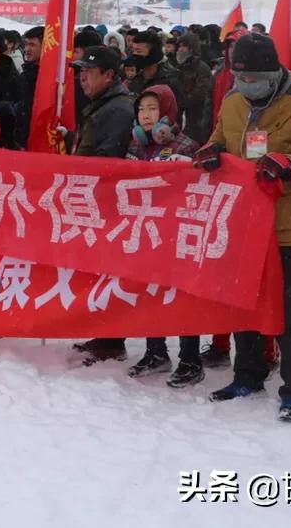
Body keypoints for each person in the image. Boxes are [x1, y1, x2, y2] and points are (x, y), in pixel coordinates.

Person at [195, 33, 291, 422]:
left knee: (290, 312)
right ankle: (248, 375)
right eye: (241, 78)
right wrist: (211, 153)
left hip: (287, 227)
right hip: (243, 224)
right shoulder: (234, 101)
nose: (246, 86)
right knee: (244, 304)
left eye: (254, 79)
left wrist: (289, 164)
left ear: (273, 74)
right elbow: (220, 140)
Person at [120, 84, 205, 387]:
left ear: (167, 113)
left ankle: (190, 360)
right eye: (141, 109)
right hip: (146, 230)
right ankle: (156, 352)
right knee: (150, 291)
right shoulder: (135, 145)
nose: (146, 115)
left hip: (177, 233)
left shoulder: (186, 146)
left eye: (153, 109)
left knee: (180, 296)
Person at [66, 46, 137, 366]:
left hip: (106, 201)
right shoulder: (102, 104)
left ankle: (112, 339)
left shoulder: (119, 109)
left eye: (88, 72)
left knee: (110, 268)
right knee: (98, 268)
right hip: (91, 196)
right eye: (79, 72)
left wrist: (85, 170)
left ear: (109, 75)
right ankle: (105, 335)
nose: (82, 78)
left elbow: (111, 159)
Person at [172, 33, 213, 143]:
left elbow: (201, 92)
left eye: (184, 46)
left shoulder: (202, 68)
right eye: (179, 46)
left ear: (192, 49)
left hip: (196, 117)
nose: (180, 49)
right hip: (178, 115)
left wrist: (182, 101)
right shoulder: (175, 66)